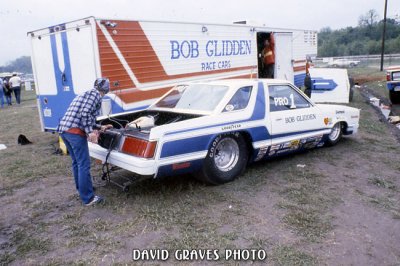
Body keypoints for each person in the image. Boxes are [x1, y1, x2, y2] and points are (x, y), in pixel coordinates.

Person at [57, 78, 113, 206]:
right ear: (106, 89)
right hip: (74, 132)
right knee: (84, 164)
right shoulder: (95, 95)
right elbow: (85, 113)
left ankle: (82, 190)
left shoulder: (86, 93)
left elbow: (84, 115)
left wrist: (99, 127)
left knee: (77, 162)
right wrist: (91, 133)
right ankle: (88, 198)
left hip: (64, 130)